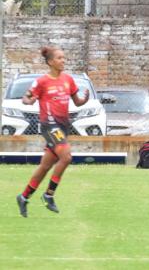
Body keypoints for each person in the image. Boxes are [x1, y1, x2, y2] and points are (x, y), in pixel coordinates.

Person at [16, 46, 89, 218]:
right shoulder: (42, 82)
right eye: (59, 58)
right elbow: (25, 97)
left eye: (64, 58)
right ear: (50, 62)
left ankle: (24, 196)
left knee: (46, 165)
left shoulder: (68, 80)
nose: (63, 61)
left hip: (63, 127)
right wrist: (30, 101)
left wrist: (84, 100)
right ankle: (49, 194)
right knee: (66, 157)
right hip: (49, 125)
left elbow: (77, 102)